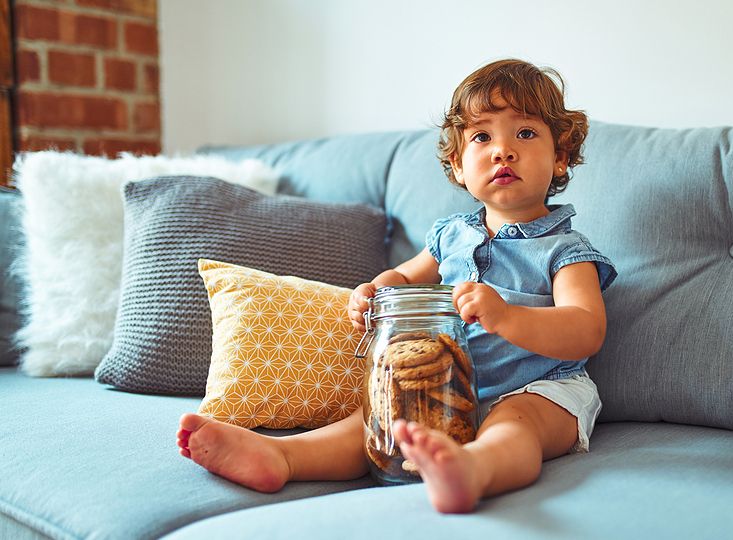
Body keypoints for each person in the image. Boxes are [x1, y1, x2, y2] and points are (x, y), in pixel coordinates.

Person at [177, 58, 617, 514]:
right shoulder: (450, 235)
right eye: (482, 136)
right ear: (458, 166)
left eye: (525, 133)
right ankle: (282, 456)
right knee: (373, 423)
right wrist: (377, 290)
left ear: (560, 156)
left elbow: (586, 329)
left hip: (542, 388)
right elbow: (406, 277)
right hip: (449, 389)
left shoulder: (564, 249)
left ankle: (473, 471)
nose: (502, 150)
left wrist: (507, 316)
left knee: (515, 427)